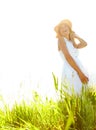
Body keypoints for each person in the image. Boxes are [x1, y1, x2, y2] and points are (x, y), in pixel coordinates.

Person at [54, 19, 89, 94]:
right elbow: (68, 57)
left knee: (83, 93)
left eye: (65, 26)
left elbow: (85, 44)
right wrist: (80, 73)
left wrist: (76, 36)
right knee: (75, 93)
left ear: (69, 28)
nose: (64, 28)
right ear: (59, 32)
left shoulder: (71, 41)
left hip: (79, 67)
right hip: (71, 68)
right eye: (61, 28)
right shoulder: (61, 40)